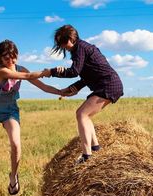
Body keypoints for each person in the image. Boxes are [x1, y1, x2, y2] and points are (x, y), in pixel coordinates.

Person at [0, 39, 61, 196]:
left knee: (16, 144)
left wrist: (61, 92)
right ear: (1, 59)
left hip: (10, 112)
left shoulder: (20, 68)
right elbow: (28, 76)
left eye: (13, 57)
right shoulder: (0, 71)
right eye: (6, 58)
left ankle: (13, 176)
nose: (11, 61)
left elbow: (42, 87)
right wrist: (47, 72)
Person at [44, 24, 124, 164]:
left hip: (109, 85)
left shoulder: (80, 48)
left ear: (71, 38)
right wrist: (73, 88)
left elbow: (74, 71)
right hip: (108, 84)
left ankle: (87, 156)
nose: (62, 46)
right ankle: (96, 148)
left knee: (82, 114)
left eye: (63, 42)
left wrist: (52, 72)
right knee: (85, 115)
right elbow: (86, 76)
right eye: (59, 43)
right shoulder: (80, 48)